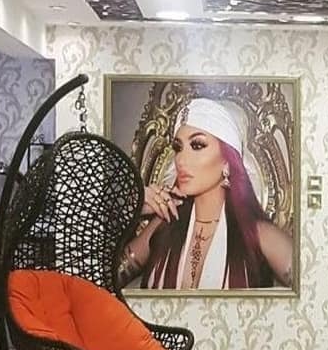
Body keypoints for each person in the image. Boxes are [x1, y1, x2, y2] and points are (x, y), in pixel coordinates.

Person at [120, 98, 293, 290]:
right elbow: (101, 281)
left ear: (227, 161)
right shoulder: (164, 223)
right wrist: (132, 208)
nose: (180, 160)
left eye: (197, 145)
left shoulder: (259, 236)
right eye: (178, 148)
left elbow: (314, 286)